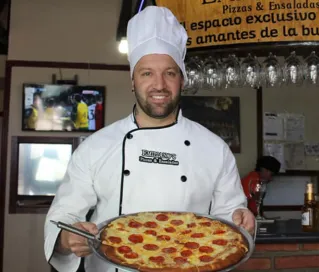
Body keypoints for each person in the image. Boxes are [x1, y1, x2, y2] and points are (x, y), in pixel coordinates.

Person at [44, 6, 255, 272]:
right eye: (147, 73)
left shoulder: (215, 148)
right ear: (133, 81)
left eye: (170, 72)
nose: (159, 85)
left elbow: (231, 220)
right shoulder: (95, 147)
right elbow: (64, 216)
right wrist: (67, 238)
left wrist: (241, 219)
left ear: (182, 79)